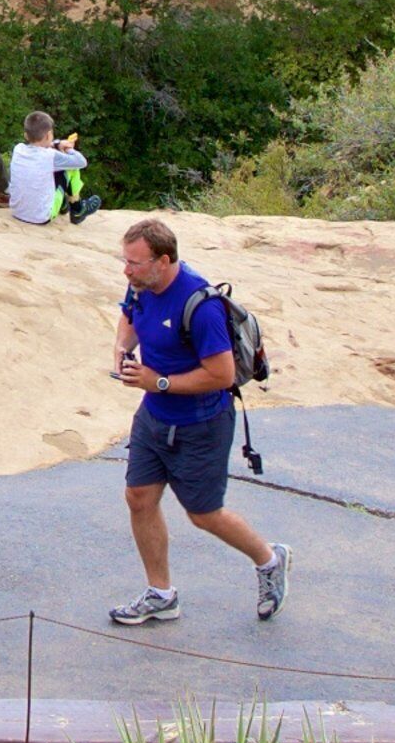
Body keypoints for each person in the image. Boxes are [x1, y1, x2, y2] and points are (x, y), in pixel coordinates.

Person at [107, 217, 287, 626]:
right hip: (154, 416)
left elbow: (221, 375)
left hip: (202, 423)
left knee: (204, 513)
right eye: (125, 261)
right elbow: (129, 317)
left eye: (134, 263)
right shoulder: (142, 285)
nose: (126, 270)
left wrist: (159, 381)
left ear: (163, 260)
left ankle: (269, 560)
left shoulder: (200, 306)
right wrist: (121, 346)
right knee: (139, 497)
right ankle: (160, 593)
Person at [3, 109, 93, 227]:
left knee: (50, 171)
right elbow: (81, 162)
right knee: (71, 168)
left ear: (26, 135)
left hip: (17, 212)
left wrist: (56, 144)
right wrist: (68, 148)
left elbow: (40, 147)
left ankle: (63, 205)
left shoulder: (18, 149)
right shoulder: (50, 156)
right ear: (49, 134)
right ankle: (77, 208)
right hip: (41, 217)